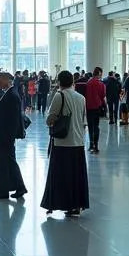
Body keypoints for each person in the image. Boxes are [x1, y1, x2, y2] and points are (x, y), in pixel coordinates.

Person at [41, 71, 89, 217]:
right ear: (72, 82)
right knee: (76, 175)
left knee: (60, 175)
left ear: (59, 82)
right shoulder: (81, 98)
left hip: (62, 142)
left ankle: (59, 203)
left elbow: (50, 118)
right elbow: (83, 120)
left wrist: (51, 121)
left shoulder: (59, 95)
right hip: (78, 141)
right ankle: (76, 205)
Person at [0, 71, 27, 200]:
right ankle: (20, 187)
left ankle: (2, 190)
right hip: (4, 135)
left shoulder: (12, 95)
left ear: (6, 80)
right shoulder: (8, 93)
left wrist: (7, 135)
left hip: (5, 136)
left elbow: (12, 119)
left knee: (0, 164)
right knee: (9, 162)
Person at [84, 66, 107, 153]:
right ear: (99, 73)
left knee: (90, 126)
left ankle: (90, 145)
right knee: (96, 126)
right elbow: (103, 95)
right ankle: (96, 146)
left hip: (89, 107)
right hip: (97, 107)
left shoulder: (88, 83)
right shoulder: (101, 84)